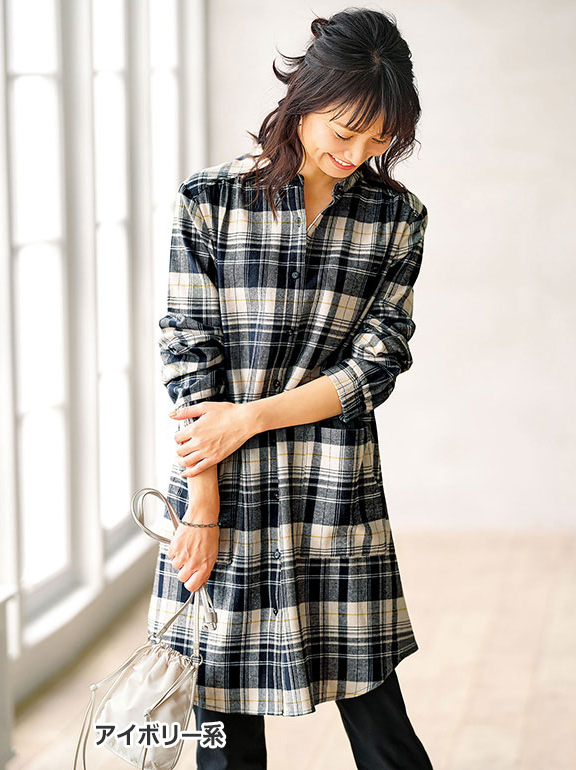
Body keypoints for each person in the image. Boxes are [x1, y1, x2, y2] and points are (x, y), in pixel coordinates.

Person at [147, 8, 434, 769]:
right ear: (305, 99)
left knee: (381, 728)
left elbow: (377, 363)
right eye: (345, 132)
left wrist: (249, 418)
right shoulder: (208, 201)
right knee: (223, 728)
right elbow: (189, 357)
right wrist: (201, 506)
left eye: (379, 141)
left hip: (335, 486)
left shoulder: (396, 218)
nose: (358, 155)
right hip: (222, 485)